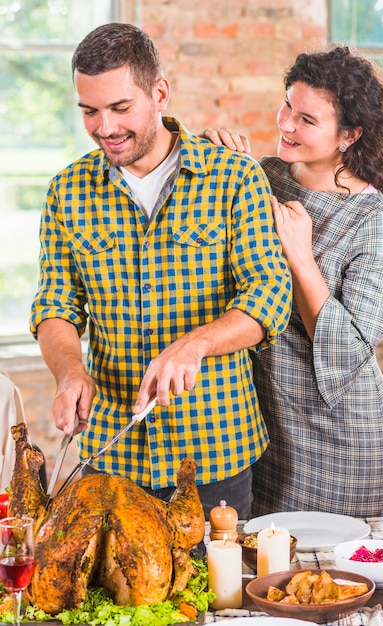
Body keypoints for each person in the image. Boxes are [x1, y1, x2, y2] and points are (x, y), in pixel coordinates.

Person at [29, 22, 292, 520]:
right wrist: (68, 373)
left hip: (214, 450)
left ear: (160, 93)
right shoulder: (67, 192)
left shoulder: (233, 178)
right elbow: (55, 305)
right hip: (111, 453)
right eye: (89, 111)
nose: (104, 127)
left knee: (215, 596)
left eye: (120, 108)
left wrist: (196, 343)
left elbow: (270, 295)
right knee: (113, 595)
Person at [203, 46, 383, 517]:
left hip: (339, 438)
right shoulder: (264, 177)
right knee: (267, 574)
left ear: (349, 135)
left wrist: (300, 256)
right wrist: (210, 156)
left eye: (307, 120)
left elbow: (347, 352)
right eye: (287, 107)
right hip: (263, 426)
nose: (286, 125)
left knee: (338, 583)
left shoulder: (376, 221)